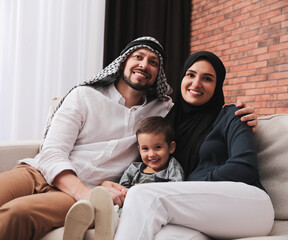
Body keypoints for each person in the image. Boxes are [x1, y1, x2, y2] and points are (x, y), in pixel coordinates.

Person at [0, 36, 257, 240]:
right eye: (139, 56)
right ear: (124, 61)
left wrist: (241, 107)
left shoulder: (163, 111)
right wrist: (81, 190)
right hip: (38, 173)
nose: (144, 64)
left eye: (154, 62)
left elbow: (199, 102)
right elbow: (52, 151)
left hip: (83, 191)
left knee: (13, 216)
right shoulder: (85, 96)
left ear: (159, 74)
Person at [113, 51, 274, 240]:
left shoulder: (232, 115)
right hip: (202, 212)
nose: (196, 83)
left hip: (250, 206)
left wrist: (189, 183)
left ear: (217, 86)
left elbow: (244, 168)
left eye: (207, 78)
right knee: (164, 236)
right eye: (190, 75)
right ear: (181, 78)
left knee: (143, 195)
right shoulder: (167, 126)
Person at [119, 116, 184, 190]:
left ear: (171, 147)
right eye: (145, 148)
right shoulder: (134, 169)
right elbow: (122, 189)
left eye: (157, 147)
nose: (151, 154)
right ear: (139, 150)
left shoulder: (172, 168)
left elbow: (176, 190)